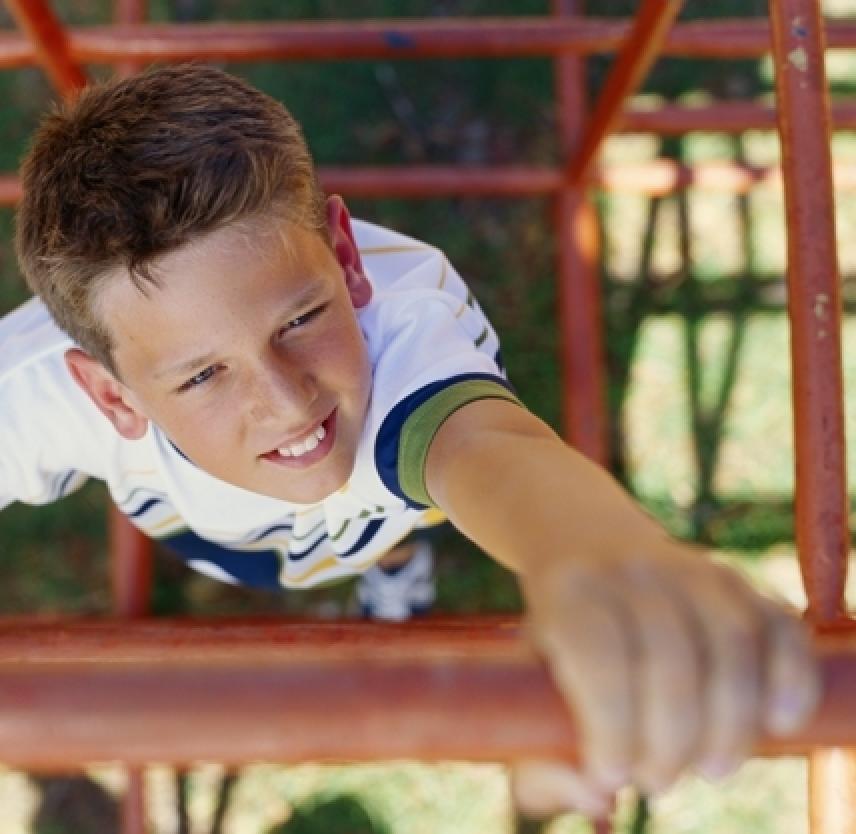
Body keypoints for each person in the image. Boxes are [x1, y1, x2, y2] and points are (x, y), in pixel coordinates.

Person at [5, 64, 818, 817]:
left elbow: (488, 449)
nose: (288, 401)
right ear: (110, 395)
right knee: (266, 541)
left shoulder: (410, 340)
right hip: (209, 529)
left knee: (390, 528)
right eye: (203, 377)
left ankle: (392, 565)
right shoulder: (35, 393)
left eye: (301, 320)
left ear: (347, 257)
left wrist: (598, 553)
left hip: (379, 511)